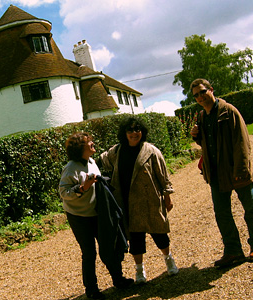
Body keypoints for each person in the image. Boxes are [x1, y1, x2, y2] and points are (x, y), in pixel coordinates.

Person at [190, 78, 253, 268]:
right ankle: (233, 251)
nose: (200, 97)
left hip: (236, 171)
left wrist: (241, 170)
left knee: (250, 208)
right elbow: (207, 145)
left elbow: (243, 142)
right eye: (196, 95)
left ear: (211, 90)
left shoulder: (228, 111)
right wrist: (197, 137)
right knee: (222, 214)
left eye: (202, 92)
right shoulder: (201, 117)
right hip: (215, 174)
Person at [97, 117, 178, 284]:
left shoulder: (151, 151)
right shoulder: (117, 151)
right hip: (127, 201)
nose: (134, 133)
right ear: (124, 133)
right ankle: (139, 270)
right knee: (135, 238)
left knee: (159, 232)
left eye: (137, 129)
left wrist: (167, 197)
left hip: (150, 199)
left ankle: (169, 259)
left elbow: (163, 176)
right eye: (130, 130)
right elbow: (100, 160)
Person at [59, 132, 133, 299]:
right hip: (78, 216)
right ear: (80, 148)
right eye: (88, 142)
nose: (93, 143)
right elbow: (63, 193)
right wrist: (82, 187)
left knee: (108, 245)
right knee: (89, 252)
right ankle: (91, 290)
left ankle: (118, 279)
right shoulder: (70, 168)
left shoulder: (91, 161)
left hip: (96, 212)